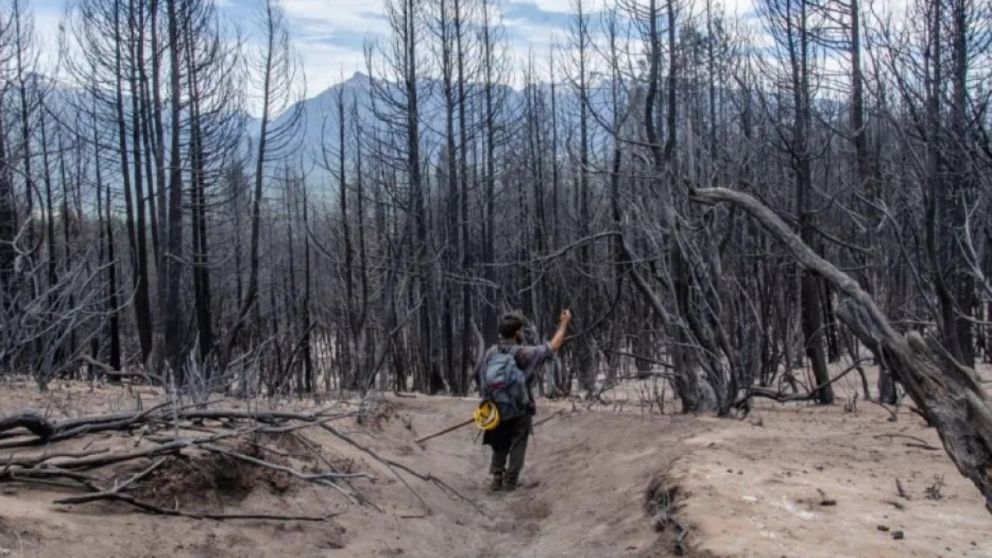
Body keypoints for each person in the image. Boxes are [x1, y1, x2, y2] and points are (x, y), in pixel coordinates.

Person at [477, 309, 573, 492]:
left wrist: (487, 403)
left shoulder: (491, 353)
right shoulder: (524, 353)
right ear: (517, 332)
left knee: (499, 439)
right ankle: (511, 481)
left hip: (496, 406)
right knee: (519, 440)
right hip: (520, 406)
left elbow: (484, 380)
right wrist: (564, 323)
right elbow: (552, 346)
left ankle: (497, 477)